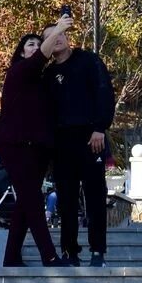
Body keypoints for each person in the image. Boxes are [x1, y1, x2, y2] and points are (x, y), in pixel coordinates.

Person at [42, 23, 117, 265]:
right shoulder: (48, 74)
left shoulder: (88, 60)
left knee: (95, 195)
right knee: (66, 198)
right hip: (62, 143)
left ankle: (98, 251)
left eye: (61, 34)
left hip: (90, 138)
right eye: (52, 37)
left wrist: (99, 128)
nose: (58, 39)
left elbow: (105, 92)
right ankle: (69, 251)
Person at [0, 29, 68, 267]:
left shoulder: (40, 80)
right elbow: (41, 58)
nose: (36, 47)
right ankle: (48, 256)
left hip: (36, 149)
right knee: (34, 201)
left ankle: (11, 257)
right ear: (21, 51)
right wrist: (58, 29)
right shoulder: (19, 71)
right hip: (16, 146)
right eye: (30, 44)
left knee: (25, 204)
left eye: (39, 43)